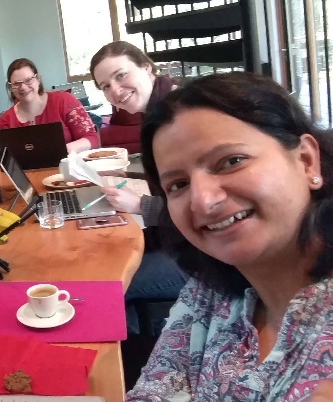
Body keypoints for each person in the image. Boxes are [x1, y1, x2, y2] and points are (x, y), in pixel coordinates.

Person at [127, 72, 333, 400]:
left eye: (230, 162)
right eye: (178, 185)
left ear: (307, 161)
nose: (203, 201)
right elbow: (155, 388)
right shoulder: (209, 293)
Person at [90, 41, 187, 334]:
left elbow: (200, 204)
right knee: (106, 258)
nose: (114, 92)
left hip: (204, 258)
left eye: (121, 76)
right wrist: (126, 171)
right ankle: (139, 338)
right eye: (105, 86)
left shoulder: (180, 117)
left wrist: (139, 206)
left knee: (104, 285)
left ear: (147, 67)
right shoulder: (159, 111)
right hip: (182, 240)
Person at [0, 58, 98, 153]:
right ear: (10, 87)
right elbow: (4, 158)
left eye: (28, 80)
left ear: (38, 79)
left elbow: (91, 138)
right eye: (16, 84)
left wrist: (61, 151)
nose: (23, 87)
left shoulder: (64, 101)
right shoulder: (5, 120)